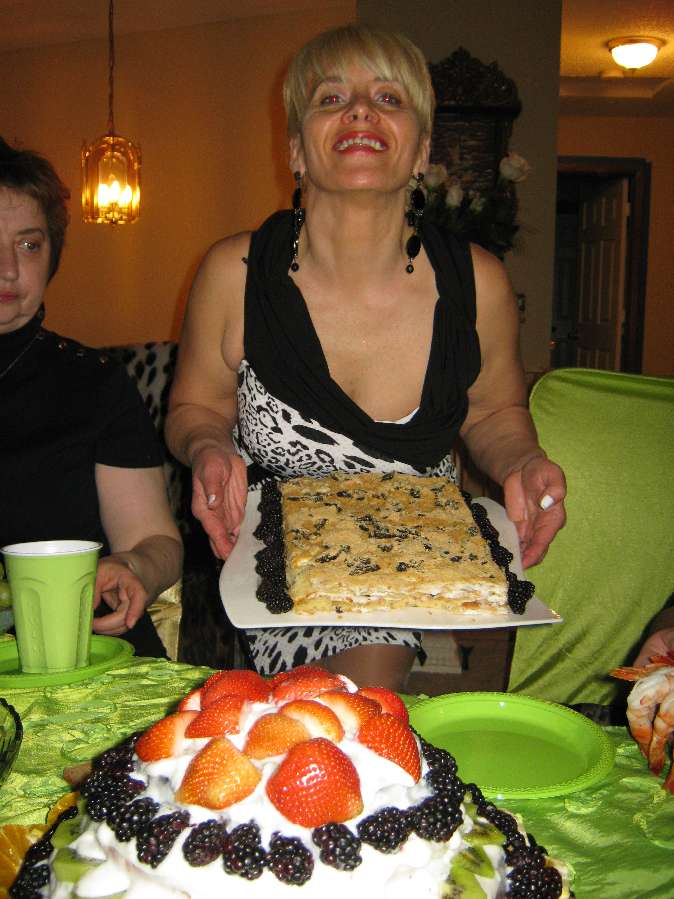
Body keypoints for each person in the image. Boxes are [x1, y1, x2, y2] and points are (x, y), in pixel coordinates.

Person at [166, 24, 566, 690]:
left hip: (413, 560)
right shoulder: (233, 272)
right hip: (264, 555)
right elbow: (193, 405)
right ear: (297, 149)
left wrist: (523, 462)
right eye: (331, 98)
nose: (359, 110)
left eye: (388, 97)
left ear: (421, 150)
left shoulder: (480, 283)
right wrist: (208, 444)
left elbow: (495, 412)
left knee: (358, 703)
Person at [0, 137, 183, 657]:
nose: (8, 268)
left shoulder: (95, 383)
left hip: (83, 655)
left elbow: (156, 542)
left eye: (29, 245)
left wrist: (133, 565)